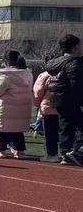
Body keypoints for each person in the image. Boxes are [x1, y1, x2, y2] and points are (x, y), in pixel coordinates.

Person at [43, 33, 83, 166]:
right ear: (75, 47)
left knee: (66, 126)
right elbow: (76, 84)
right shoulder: (75, 62)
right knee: (79, 125)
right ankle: (77, 152)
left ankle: (65, 154)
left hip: (57, 99)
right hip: (71, 99)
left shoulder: (57, 62)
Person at [0, 50, 33, 159]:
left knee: (3, 130)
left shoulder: (5, 76)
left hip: (6, 108)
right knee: (18, 130)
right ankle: (19, 151)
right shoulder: (27, 74)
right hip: (22, 107)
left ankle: (1, 150)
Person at [33, 63, 60, 162]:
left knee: (49, 133)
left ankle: (52, 154)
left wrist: (38, 104)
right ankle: (64, 152)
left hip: (48, 108)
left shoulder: (44, 75)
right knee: (61, 132)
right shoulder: (64, 73)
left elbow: (37, 91)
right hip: (61, 107)